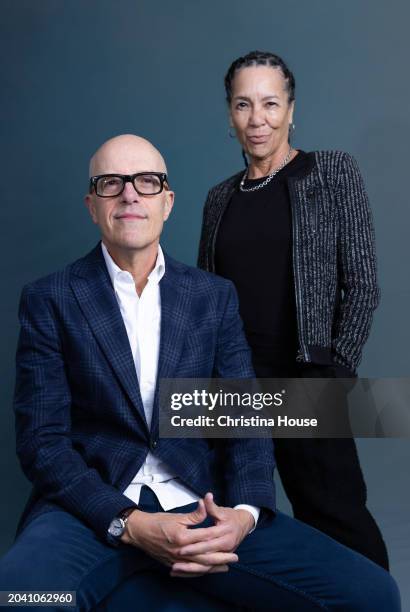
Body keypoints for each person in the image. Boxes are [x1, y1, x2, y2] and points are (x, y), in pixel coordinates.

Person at [0, 134, 400, 611]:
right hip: (91, 511)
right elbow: (42, 442)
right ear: (92, 205)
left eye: (146, 182)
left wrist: (244, 515)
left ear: (167, 202)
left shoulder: (212, 297)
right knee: (23, 596)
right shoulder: (50, 299)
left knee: (373, 594)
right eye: (112, 183)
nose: (130, 194)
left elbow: (244, 420)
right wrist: (128, 522)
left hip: (203, 507)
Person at [197, 51, 389, 570]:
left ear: (291, 108)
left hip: (305, 379)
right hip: (233, 387)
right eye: (243, 104)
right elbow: (206, 300)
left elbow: (363, 283)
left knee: (337, 517)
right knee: (231, 522)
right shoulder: (218, 199)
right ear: (230, 114)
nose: (257, 119)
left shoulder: (330, 172)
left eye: (270, 103)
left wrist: (335, 372)